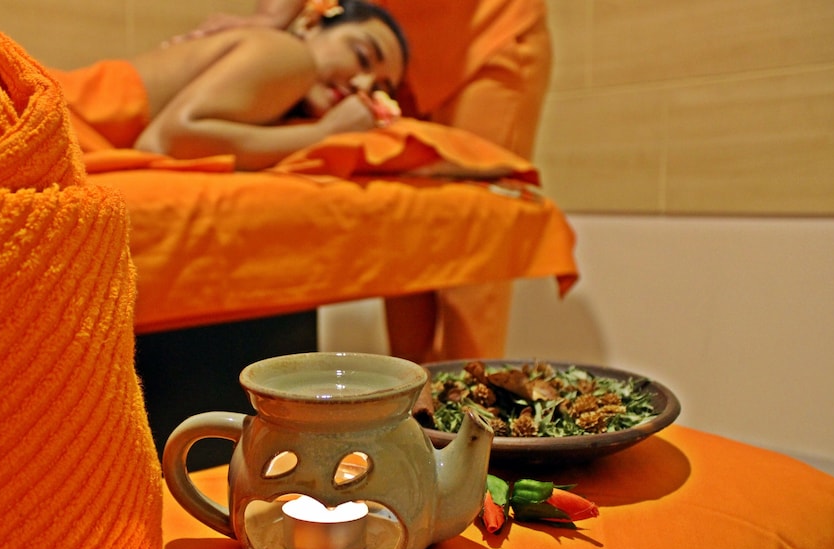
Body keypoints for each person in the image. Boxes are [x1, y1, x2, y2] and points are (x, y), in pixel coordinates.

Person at [184, 0, 554, 364]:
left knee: (474, 240)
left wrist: (272, 21)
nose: (361, 86)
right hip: (386, 41)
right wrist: (270, 20)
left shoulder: (316, 56)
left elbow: (180, 134)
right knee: (403, 237)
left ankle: (472, 399)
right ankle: (411, 397)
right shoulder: (316, 57)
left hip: (485, 35)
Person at [112, 0, 408, 171]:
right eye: (361, 56)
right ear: (310, 24)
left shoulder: (274, 99)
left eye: (379, 89)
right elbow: (166, 141)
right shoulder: (292, 55)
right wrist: (326, 133)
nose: (362, 85)